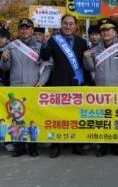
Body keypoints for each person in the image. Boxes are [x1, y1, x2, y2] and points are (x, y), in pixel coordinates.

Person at [40, 15, 88, 158]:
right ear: (61, 25)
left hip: (76, 83)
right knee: (58, 116)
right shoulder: (54, 40)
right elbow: (44, 57)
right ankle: (56, 146)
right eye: (65, 23)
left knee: (76, 115)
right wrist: (45, 43)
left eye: (71, 24)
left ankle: (77, 145)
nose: (68, 26)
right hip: (58, 82)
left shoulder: (82, 42)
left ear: (75, 26)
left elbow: (84, 65)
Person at [83, 18, 118, 157]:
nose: (105, 33)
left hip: (117, 89)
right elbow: (90, 68)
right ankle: (102, 146)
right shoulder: (95, 50)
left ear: (115, 32)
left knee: (116, 118)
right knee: (103, 119)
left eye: (108, 30)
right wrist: (86, 58)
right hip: (101, 89)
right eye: (103, 30)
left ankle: (116, 145)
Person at [1, 18, 43, 157]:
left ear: (32, 30)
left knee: (33, 119)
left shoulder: (40, 46)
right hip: (16, 87)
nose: (24, 30)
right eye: (22, 28)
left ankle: (33, 147)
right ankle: (19, 147)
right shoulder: (12, 46)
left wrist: (42, 81)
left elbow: (48, 67)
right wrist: (5, 59)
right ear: (18, 30)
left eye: (27, 28)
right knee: (17, 119)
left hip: (33, 87)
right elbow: (4, 68)